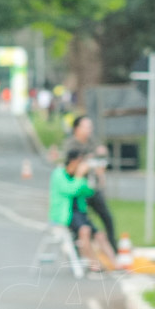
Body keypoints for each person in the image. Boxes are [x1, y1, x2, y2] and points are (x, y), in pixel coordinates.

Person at [49, 149, 117, 273]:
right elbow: (69, 190)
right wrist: (79, 176)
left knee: (100, 235)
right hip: (65, 215)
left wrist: (98, 175)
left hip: (79, 213)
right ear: (73, 162)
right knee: (84, 231)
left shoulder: (80, 177)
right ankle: (94, 264)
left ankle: (115, 263)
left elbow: (90, 191)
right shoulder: (59, 174)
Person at [66, 115, 118, 252]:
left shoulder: (92, 142)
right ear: (77, 128)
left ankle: (113, 247)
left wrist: (101, 156)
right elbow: (69, 167)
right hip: (77, 189)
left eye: (90, 127)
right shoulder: (71, 145)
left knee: (106, 217)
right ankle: (79, 250)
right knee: (81, 221)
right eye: (86, 126)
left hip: (91, 187)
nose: (90, 130)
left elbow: (101, 158)